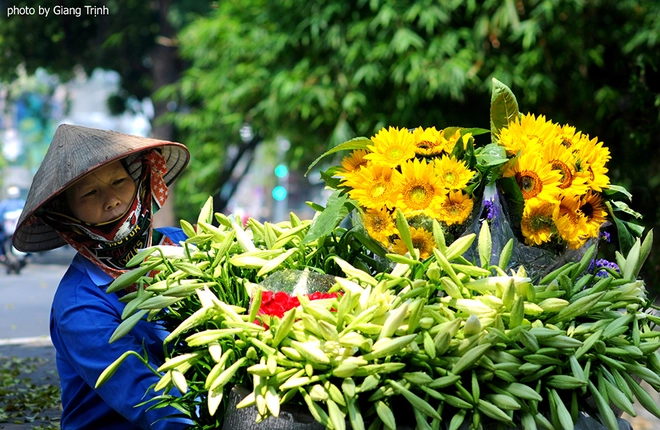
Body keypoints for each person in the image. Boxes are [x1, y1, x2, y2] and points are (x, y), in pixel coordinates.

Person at [13, 124, 192, 429]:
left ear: (139, 182)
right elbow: (158, 406)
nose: (111, 200)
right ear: (67, 214)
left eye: (119, 181)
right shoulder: (79, 306)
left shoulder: (185, 247)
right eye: (90, 193)